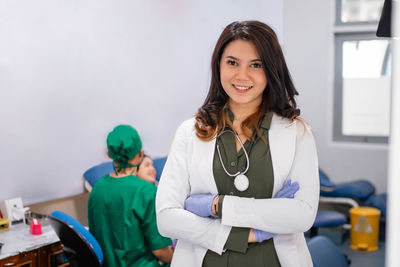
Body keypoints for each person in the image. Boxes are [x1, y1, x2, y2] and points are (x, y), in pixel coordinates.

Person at [156, 21, 319, 267]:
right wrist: (248, 233)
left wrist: (216, 205)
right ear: (218, 65)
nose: (242, 76)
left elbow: (302, 216)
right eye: (232, 62)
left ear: (272, 70)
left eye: (256, 65)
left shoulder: (297, 133)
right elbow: (166, 218)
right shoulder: (190, 132)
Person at [88, 125, 173, 267]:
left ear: (109, 154)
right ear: (139, 154)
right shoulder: (146, 191)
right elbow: (161, 252)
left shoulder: (97, 188)